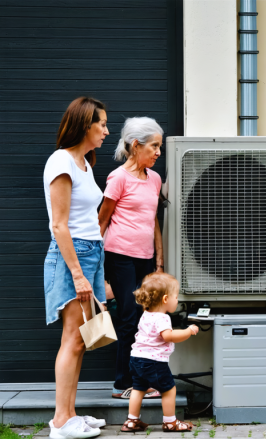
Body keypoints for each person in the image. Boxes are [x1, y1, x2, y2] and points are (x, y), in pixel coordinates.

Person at [44, 97, 109, 439]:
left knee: (83, 339)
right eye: (102, 124)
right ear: (85, 124)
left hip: (92, 252)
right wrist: (79, 274)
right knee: (72, 338)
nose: (107, 131)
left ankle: (69, 414)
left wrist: (97, 271)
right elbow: (59, 225)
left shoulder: (84, 163)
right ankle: (60, 422)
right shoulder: (61, 161)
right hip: (74, 255)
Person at [97, 117, 164, 399]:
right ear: (136, 145)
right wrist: (97, 269)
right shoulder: (118, 178)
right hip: (120, 256)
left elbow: (153, 219)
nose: (158, 152)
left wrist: (159, 259)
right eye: (154, 146)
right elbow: (102, 221)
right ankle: (122, 384)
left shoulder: (155, 179)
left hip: (145, 259)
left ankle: (141, 380)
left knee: (146, 319)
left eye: (159, 147)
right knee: (128, 318)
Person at [120, 273, 198, 432]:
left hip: (136, 358)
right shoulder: (162, 318)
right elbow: (168, 336)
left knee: (138, 389)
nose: (177, 300)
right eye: (176, 297)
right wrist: (188, 331)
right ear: (165, 299)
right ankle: (170, 422)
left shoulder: (145, 315)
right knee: (169, 389)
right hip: (153, 362)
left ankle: (131, 421)